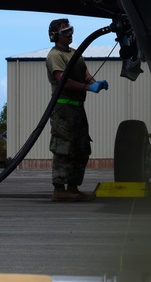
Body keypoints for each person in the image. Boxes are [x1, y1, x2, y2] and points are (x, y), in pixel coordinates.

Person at [46, 18, 108, 201]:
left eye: (70, 30)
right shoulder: (55, 55)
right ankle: (59, 189)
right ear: (55, 35)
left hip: (78, 109)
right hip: (63, 109)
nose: (70, 34)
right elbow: (63, 79)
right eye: (65, 31)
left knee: (81, 149)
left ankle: (73, 189)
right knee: (64, 148)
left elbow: (85, 74)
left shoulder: (75, 53)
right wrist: (88, 88)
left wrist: (96, 84)